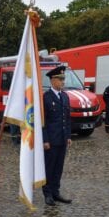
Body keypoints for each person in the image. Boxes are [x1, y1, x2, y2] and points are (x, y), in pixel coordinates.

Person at [42, 66, 72, 206]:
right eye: (60, 79)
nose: (63, 81)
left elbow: (67, 118)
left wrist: (68, 136)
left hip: (62, 139)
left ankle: (56, 192)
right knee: (49, 167)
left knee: (59, 167)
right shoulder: (46, 97)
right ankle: (47, 194)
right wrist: (45, 139)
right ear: (53, 80)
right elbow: (43, 121)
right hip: (51, 140)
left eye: (63, 79)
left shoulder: (65, 96)